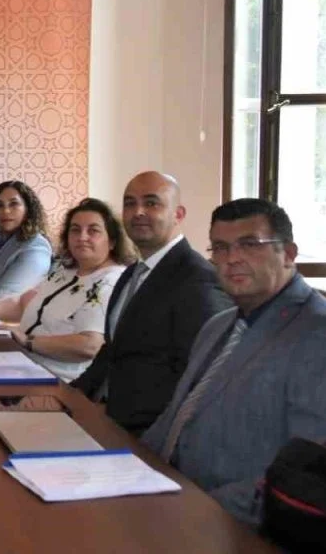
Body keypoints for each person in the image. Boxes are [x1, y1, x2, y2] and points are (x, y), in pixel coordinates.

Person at [141, 198, 326, 526]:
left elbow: (314, 479)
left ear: (289, 254)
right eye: (220, 248)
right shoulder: (218, 326)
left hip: (237, 525)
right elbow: (173, 421)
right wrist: (128, 471)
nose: (232, 259)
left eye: (250, 244)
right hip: (166, 497)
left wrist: (199, 512)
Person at [72, 172, 232, 434]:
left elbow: (200, 376)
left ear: (178, 214)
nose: (138, 212)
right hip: (108, 421)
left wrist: (155, 441)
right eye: (130, 203)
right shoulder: (131, 274)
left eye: (151, 203)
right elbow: (112, 352)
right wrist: (68, 399)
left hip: (152, 436)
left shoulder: (197, 279)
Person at [0, 198, 133, 382]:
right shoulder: (65, 270)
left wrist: (28, 341)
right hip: (21, 363)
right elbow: (23, 304)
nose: (82, 237)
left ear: (112, 241)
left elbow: (89, 345)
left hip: (58, 381)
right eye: (75, 230)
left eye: (93, 230)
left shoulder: (111, 282)